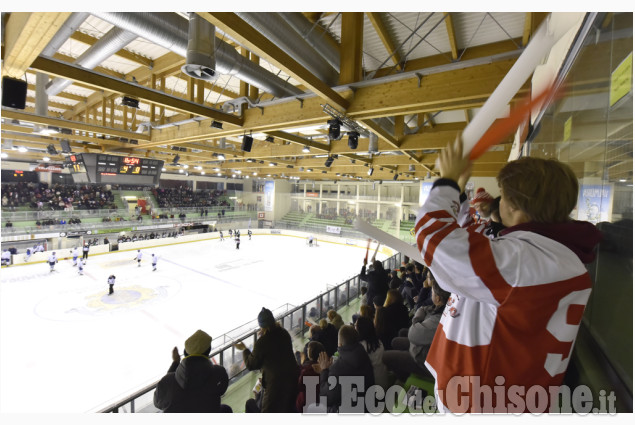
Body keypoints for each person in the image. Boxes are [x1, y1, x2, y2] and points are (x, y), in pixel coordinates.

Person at [416, 137, 603, 413]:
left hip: (483, 400)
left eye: (504, 195)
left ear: (515, 206)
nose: (498, 202)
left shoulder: (523, 261)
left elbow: (433, 238)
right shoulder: (560, 257)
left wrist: (448, 182)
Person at [382, 275, 450, 382]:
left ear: (437, 298)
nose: (431, 294)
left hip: (425, 361)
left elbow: (412, 333)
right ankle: (405, 367)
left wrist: (417, 319)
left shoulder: (437, 320)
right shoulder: (442, 309)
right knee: (397, 339)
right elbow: (423, 308)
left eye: (432, 293)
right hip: (425, 350)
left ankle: (403, 379)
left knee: (386, 356)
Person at [234, 307, 299, 412]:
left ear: (261, 326)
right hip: (292, 379)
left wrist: (244, 349)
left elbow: (251, 364)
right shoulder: (284, 333)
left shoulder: (262, 342)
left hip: (275, 386)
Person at [154, 330, 231, 413]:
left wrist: (175, 364)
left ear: (185, 352)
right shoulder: (219, 373)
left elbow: (158, 402)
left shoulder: (167, 381)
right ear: (208, 351)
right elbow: (221, 390)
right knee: (226, 409)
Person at [314, 325, 375, 413]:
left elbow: (325, 398)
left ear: (340, 344)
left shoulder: (338, 368)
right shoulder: (364, 355)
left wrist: (324, 370)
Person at [355, 316, 390, 390]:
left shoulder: (361, 347)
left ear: (360, 329)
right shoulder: (379, 342)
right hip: (384, 382)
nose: (354, 327)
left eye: (356, 326)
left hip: (373, 388)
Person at [295, 341, 326, 413]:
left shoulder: (306, 370)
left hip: (305, 404)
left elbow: (299, 386)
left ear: (309, 354)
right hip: (320, 402)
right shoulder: (324, 369)